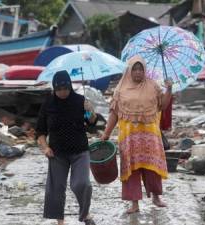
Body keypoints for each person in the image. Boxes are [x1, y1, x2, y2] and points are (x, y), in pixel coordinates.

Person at [101, 55, 172, 214]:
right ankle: (134, 203)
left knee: (153, 167)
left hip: (150, 136)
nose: (138, 72)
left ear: (145, 70)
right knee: (131, 169)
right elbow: (114, 113)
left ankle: (156, 196)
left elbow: (163, 105)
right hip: (129, 137)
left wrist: (169, 89)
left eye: (141, 69)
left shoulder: (153, 86)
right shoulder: (121, 88)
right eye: (135, 69)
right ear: (130, 70)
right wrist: (106, 133)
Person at [36, 71, 97, 225]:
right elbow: (40, 132)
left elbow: (92, 124)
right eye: (59, 89)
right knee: (56, 189)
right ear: (54, 89)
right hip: (57, 153)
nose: (62, 92)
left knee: (82, 184)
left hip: (80, 151)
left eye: (65, 89)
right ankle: (60, 221)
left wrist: (89, 111)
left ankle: (85, 215)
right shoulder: (48, 104)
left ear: (70, 86)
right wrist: (45, 147)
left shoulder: (80, 100)